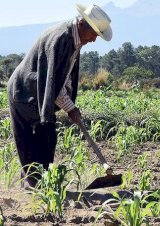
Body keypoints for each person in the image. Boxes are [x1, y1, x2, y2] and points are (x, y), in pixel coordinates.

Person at [7, 4, 112, 187]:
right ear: (81, 24)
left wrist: (71, 104)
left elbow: (64, 77)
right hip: (24, 93)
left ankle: (39, 184)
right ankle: (35, 188)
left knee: (47, 139)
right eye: (94, 33)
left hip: (37, 93)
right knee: (30, 142)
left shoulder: (75, 39)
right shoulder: (61, 39)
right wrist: (70, 108)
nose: (95, 39)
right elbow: (51, 81)